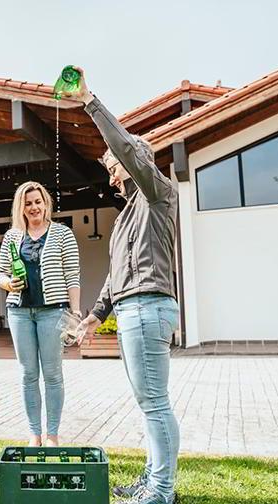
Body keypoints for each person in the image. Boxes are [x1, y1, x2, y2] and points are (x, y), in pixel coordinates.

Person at [67, 71, 181, 504]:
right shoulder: (126, 217)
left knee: (154, 403)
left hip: (150, 308)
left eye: (114, 165)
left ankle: (161, 492)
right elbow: (116, 277)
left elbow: (130, 150)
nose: (112, 172)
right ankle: (152, 481)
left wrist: (90, 102)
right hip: (132, 309)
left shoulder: (159, 195)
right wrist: (95, 316)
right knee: (148, 403)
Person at [0, 181, 81, 447]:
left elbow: (73, 276)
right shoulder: (12, 236)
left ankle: (52, 434)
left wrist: (75, 314)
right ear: (20, 207)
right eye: (28, 203)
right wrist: (8, 284)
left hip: (52, 312)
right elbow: (1, 273)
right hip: (19, 313)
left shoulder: (63, 233)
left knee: (53, 374)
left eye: (37, 202)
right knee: (28, 374)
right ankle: (34, 434)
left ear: (46, 204)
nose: (33, 207)